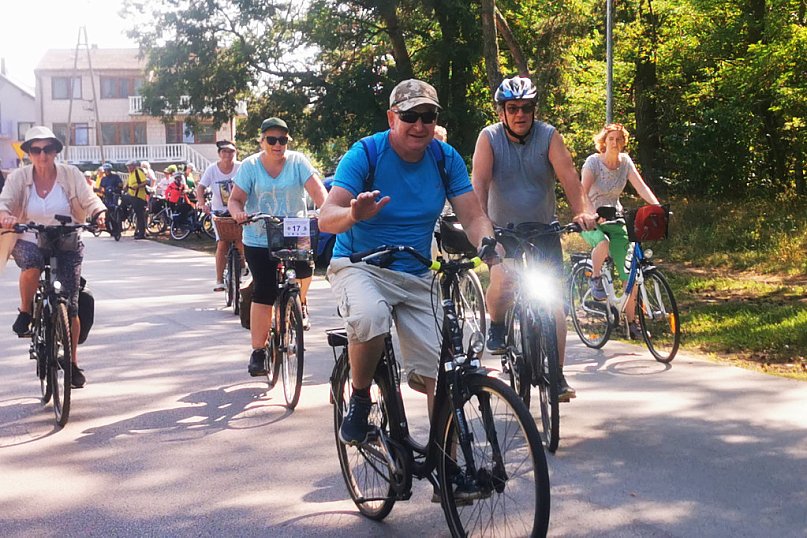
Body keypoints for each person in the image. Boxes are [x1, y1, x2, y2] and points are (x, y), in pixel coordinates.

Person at [318, 79, 503, 446]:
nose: (419, 125)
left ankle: (448, 467)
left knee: (444, 366)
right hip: (361, 265)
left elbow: (473, 217)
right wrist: (354, 214)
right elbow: (326, 217)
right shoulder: (365, 154)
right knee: (370, 316)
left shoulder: (443, 157)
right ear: (392, 118)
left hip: (417, 269)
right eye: (410, 116)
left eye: (428, 116)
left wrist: (492, 253)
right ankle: (358, 397)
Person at [471, 75, 597, 401]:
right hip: (504, 231)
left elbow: (570, 179)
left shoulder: (548, 136)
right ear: (502, 112)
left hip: (544, 230)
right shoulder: (489, 138)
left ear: (534, 109)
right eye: (512, 108)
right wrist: (483, 231)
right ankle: (497, 324)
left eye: (526, 108)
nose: (520, 114)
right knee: (505, 280)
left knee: (553, 301)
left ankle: (556, 377)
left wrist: (582, 211)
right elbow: (479, 188)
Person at [0, 126, 106, 388]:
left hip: (65, 237)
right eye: (36, 150)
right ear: (29, 153)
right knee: (33, 264)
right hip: (29, 237)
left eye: (48, 149)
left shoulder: (71, 174)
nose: (42, 155)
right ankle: (26, 312)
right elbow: (4, 201)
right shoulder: (18, 178)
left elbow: (89, 198)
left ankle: (71, 363)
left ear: (56, 151)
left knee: (70, 304)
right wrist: (6, 215)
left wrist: (99, 213)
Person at [229, 117, 328, 376]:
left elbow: (319, 194)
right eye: (271, 140)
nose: (277, 145)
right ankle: (259, 352)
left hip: (294, 231)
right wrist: (239, 214)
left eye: (282, 140)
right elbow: (236, 200)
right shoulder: (250, 166)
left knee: (306, 270)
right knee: (265, 289)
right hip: (258, 236)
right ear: (262, 141)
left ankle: (300, 303)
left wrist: (325, 211)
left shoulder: (298, 162)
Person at [581, 123, 660, 338]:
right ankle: (595, 277)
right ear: (603, 142)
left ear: (623, 142)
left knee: (630, 273)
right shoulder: (593, 163)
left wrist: (656, 206)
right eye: (611, 139)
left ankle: (632, 324)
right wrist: (590, 215)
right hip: (590, 218)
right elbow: (582, 192)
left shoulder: (625, 163)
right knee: (602, 243)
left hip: (615, 218)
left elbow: (641, 186)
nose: (615, 143)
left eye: (619, 139)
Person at [196, 140, 243, 292]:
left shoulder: (241, 167)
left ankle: (242, 265)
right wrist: (202, 203)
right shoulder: (212, 169)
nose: (228, 155)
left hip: (240, 210)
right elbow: (201, 187)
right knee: (222, 243)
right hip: (219, 211)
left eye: (231, 152)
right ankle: (219, 279)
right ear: (219, 154)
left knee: (241, 241)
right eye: (224, 152)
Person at [122, 159, 149, 239]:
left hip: (138, 197)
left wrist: (137, 186)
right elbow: (128, 183)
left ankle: (142, 234)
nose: (128, 168)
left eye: (130, 166)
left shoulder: (138, 172)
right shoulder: (131, 174)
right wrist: (125, 187)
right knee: (123, 201)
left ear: (134, 166)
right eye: (128, 167)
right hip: (131, 196)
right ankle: (124, 216)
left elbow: (145, 182)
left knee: (140, 215)